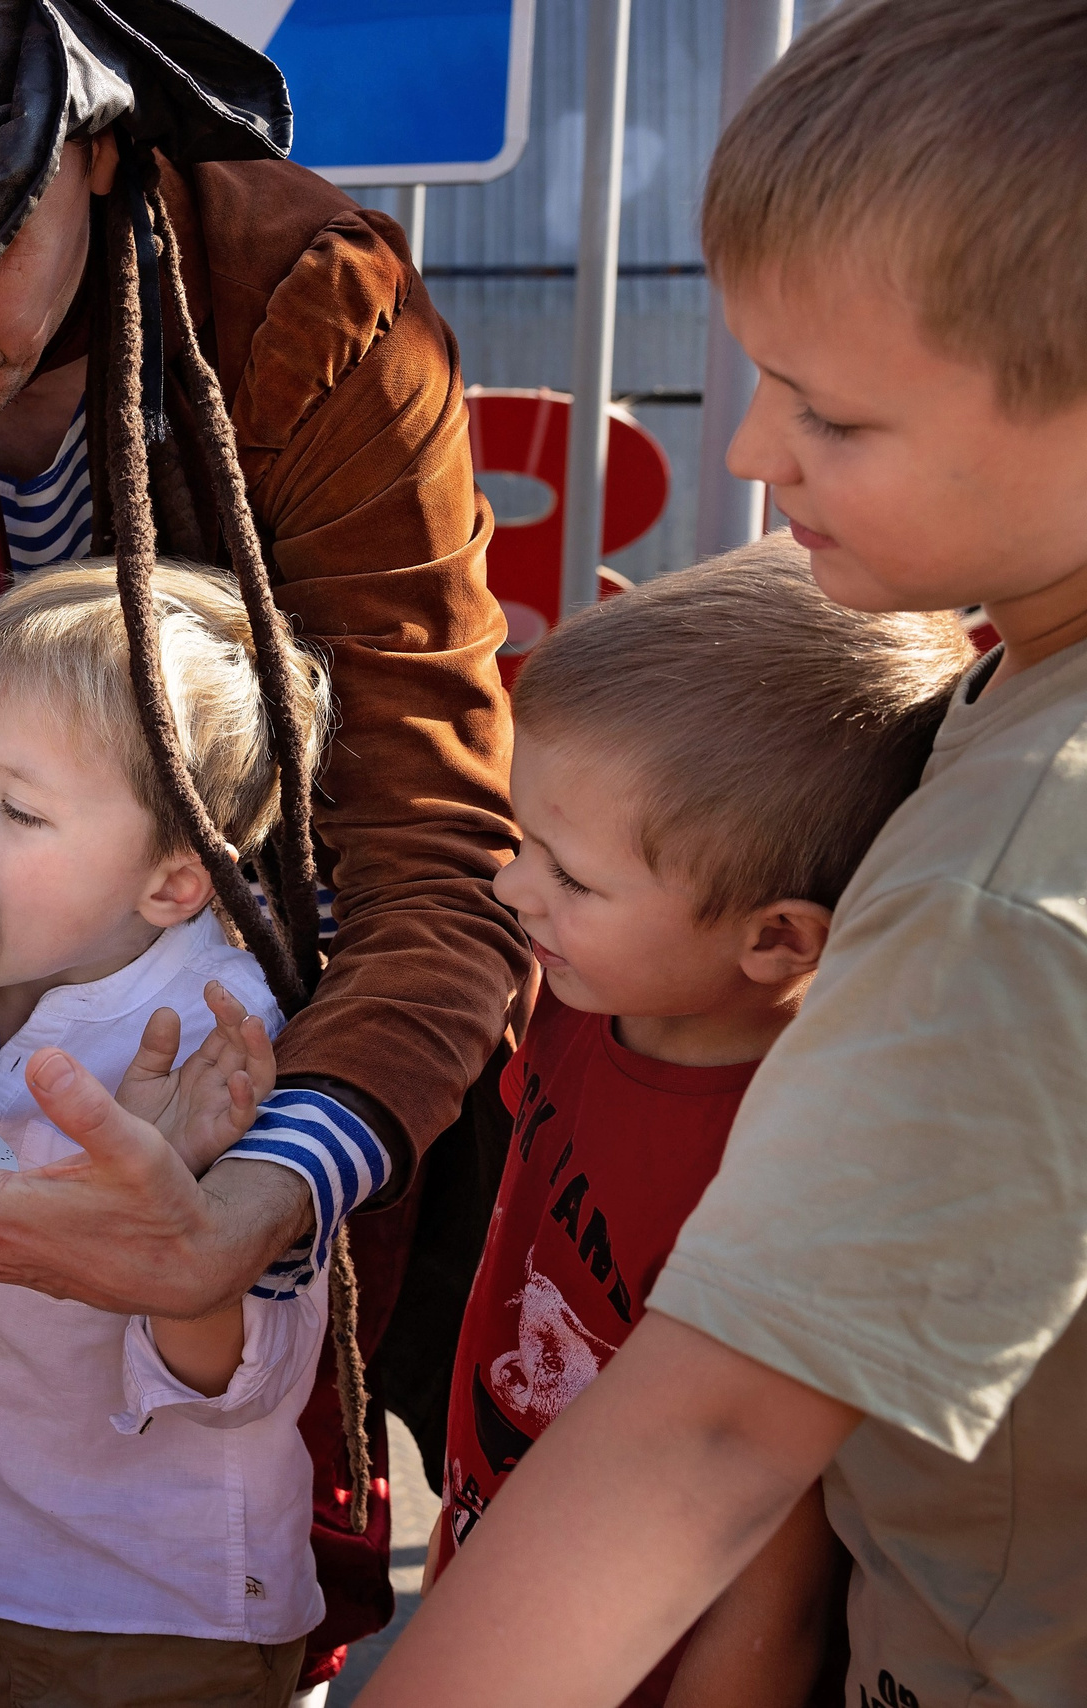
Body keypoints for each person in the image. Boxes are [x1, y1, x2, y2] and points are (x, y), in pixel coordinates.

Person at [0, 3, 529, 1690]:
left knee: (252, 1453)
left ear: (102, 144)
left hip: (259, 1027)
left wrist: (260, 1191)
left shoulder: (308, 309)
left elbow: (433, 846)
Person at [360, 2, 1087, 1703]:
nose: (755, 456)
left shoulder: (1001, 890)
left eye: (829, 416)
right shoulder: (1017, 678)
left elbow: (706, 1445)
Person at [430, 538, 972, 1706]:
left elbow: (765, 1577)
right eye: (524, 841)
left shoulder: (794, 1170)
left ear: (779, 938)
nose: (515, 888)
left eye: (570, 877)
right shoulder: (587, 995)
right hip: (498, 1576)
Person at [0, 560, 335, 1708]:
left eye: (16, 808)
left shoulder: (223, 1046)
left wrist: (166, 1219)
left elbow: (238, 1381)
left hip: (159, 1611)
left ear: (174, 882)